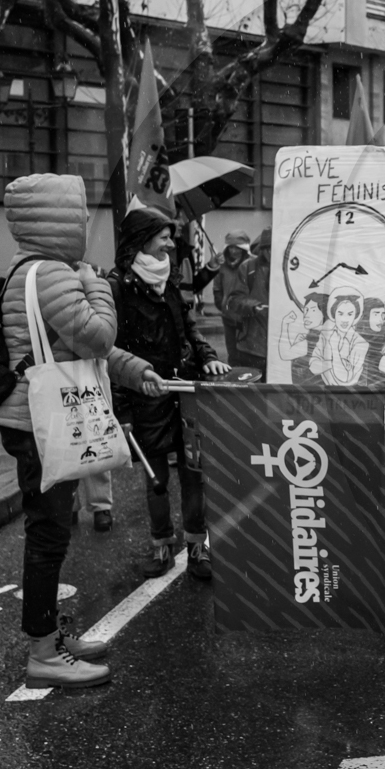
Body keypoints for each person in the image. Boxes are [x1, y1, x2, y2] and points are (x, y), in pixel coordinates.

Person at [0, 173, 160, 689]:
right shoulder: (55, 274)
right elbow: (97, 335)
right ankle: (43, 652)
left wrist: (135, 371)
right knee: (48, 537)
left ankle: (52, 638)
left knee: (53, 533)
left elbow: (91, 351)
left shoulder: (32, 269)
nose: (87, 222)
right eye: (83, 214)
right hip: (45, 426)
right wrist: (96, 283)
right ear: (65, 217)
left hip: (32, 419)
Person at [109, 209, 230, 581]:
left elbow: (189, 330)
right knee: (156, 479)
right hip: (147, 398)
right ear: (142, 240)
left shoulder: (171, 281)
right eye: (162, 237)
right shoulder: (118, 288)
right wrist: (123, 409)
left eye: (169, 236)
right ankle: (161, 546)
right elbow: (112, 353)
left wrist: (207, 358)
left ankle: (197, 546)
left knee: (195, 474)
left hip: (186, 393)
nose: (169, 243)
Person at [227, 227, 271, 377]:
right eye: (268, 249)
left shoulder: (293, 269)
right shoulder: (248, 267)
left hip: (282, 349)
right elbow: (233, 300)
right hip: (252, 346)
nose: (272, 253)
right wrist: (254, 306)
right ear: (263, 249)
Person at [310, 291, 370, 385]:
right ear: (334, 315)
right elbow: (313, 367)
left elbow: (344, 378)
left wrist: (334, 349)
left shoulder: (361, 344)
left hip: (352, 394)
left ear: (355, 316)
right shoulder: (326, 335)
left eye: (350, 314)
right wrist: (333, 363)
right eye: (340, 313)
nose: (344, 319)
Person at [211, 230, 251, 365]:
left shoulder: (252, 263)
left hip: (247, 318)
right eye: (231, 247)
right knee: (232, 355)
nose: (234, 251)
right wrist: (221, 304)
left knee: (247, 354)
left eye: (237, 247)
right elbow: (217, 287)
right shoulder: (222, 264)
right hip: (228, 317)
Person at [278, 291, 329, 385]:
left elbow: (284, 354)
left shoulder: (313, 340)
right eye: (306, 310)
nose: (307, 315)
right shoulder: (328, 335)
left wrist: (285, 324)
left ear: (324, 313)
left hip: (308, 394)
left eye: (313, 310)